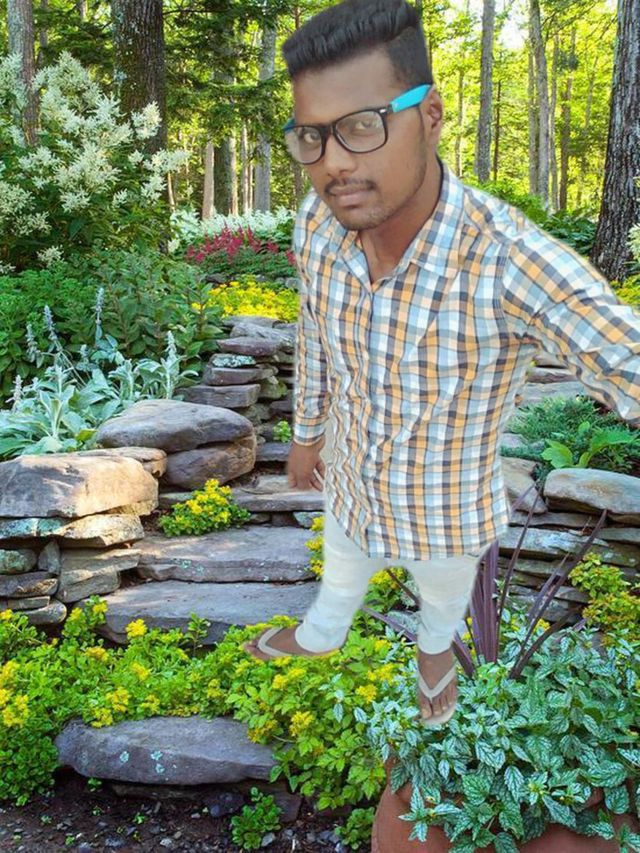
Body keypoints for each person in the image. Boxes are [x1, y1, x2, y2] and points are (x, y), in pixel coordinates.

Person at [243, 0, 640, 725]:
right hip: (351, 477)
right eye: (312, 137)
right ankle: (323, 632)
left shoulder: (506, 261)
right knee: (343, 564)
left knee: (441, 600)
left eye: (363, 126)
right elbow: (314, 331)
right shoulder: (318, 225)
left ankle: (436, 663)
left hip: (444, 508)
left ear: (430, 115)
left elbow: (619, 350)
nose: (333, 163)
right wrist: (307, 433)